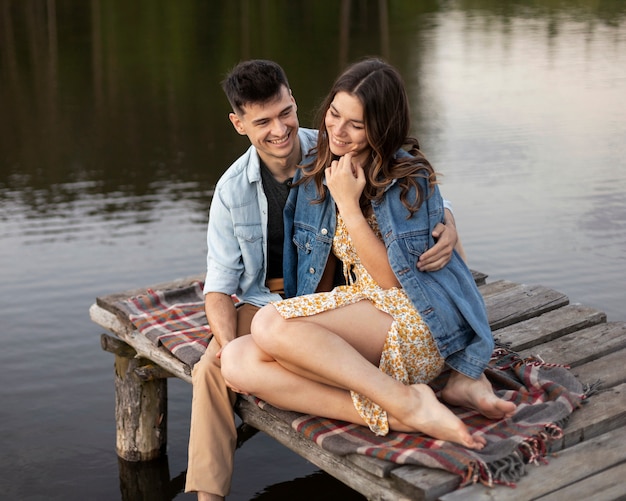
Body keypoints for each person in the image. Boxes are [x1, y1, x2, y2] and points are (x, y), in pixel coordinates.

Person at [186, 59, 461, 500]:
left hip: (342, 295)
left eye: (284, 113)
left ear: (294, 100)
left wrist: (449, 223)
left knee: (267, 350)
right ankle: (209, 496)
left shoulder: (335, 145)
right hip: (266, 299)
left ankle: (386, 401)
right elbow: (219, 285)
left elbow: (411, 185)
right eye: (262, 122)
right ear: (239, 124)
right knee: (212, 369)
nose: (279, 129)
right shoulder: (232, 190)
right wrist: (222, 342)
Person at [220, 58, 516, 450]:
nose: (338, 131)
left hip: (412, 319)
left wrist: (348, 205)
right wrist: (301, 337)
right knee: (237, 361)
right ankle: (399, 411)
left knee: (269, 326)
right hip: (367, 313)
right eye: (334, 114)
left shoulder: (406, 178)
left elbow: (392, 281)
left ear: (381, 127)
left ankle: (405, 400)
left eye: (355, 125)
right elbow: (313, 279)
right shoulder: (318, 169)